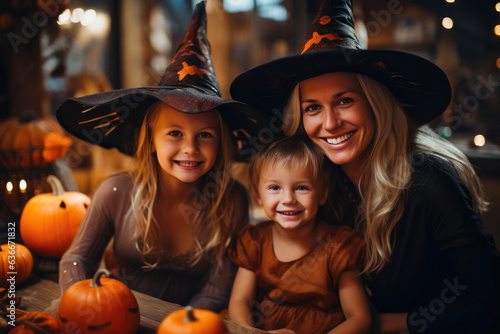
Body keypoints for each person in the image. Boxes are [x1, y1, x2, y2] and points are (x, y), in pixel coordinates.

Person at [229, 0, 500, 333]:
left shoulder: (430, 180)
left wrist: (389, 324)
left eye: (345, 100)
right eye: (313, 107)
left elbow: (491, 302)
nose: (330, 123)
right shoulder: (320, 178)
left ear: (374, 103)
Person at [56, 1, 267, 312]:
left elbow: (218, 287)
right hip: (120, 315)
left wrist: (183, 326)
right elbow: (76, 258)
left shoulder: (232, 199)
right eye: (175, 133)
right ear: (151, 139)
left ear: (222, 143)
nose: (190, 149)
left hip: (194, 324)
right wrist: (82, 303)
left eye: (205, 135)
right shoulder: (115, 192)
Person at [228, 136, 371, 334]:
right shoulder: (255, 241)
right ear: (258, 196)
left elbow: (359, 318)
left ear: (322, 194)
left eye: (301, 187)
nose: (288, 199)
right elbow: (239, 301)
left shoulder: (338, 246)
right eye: (275, 188)